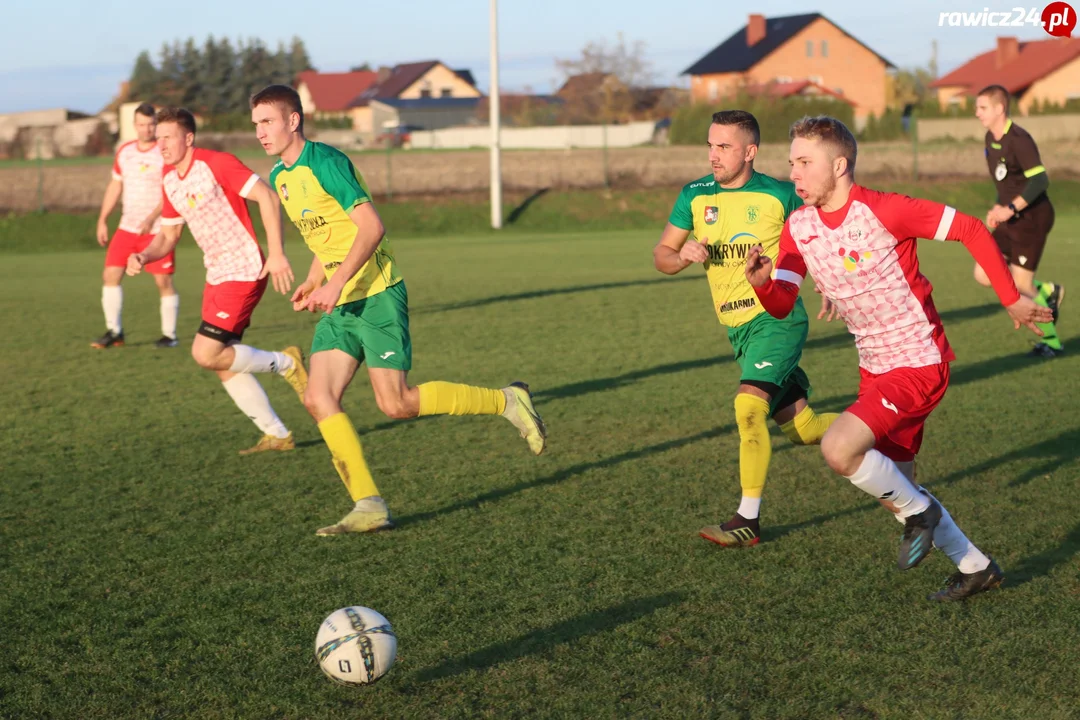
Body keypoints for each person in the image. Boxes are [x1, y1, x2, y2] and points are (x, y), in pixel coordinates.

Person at [745, 115, 1052, 601]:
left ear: (839, 165)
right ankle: (975, 566)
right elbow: (783, 301)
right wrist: (763, 284)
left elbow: (971, 228)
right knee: (897, 491)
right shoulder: (798, 227)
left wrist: (1010, 295)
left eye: (805, 163)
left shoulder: (885, 210)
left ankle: (923, 516)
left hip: (918, 359)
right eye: (791, 163)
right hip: (874, 367)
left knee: (840, 449)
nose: (795, 174)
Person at [249, 85, 547, 536]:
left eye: (267, 122)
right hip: (340, 301)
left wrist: (333, 282)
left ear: (294, 121)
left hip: (377, 294)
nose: (260, 132)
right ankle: (368, 505)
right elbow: (328, 235)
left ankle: (506, 400)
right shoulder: (281, 177)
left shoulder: (325, 163)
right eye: (256, 124)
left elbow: (370, 227)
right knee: (317, 397)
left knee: (397, 404)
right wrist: (315, 279)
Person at [654, 110, 838, 547]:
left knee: (748, 408)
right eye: (710, 145)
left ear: (750, 151)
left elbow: (821, 238)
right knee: (805, 429)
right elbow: (662, 254)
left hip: (777, 319)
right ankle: (880, 430)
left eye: (725, 147)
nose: (714, 156)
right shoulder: (695, 195)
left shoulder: (780, 195)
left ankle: (747, 521)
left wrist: (832, 283)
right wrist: (683, 256)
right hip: (737, 329)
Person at [126, 107, 308, 455]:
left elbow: (268, 196)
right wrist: (144, 255)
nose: (160, 143)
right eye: (158, 137)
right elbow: (168, 236)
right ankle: (278, 434)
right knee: (222, 361)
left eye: (168, 136)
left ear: (188, 138)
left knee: (205, 352)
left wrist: (277, 253)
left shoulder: (216, 163)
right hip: (217, 274)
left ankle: (287, 363)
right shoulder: (169, 179)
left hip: (244, 268)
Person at [974, 84, 1064, 357]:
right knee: (983, 273)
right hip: (1011, 216)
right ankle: (1047, 290)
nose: (977, 113)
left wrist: (1010, 209)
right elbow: (1007, 182)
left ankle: (1051, 342)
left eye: (982, 107)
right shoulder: (990, 139)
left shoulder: (1020, 139)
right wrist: (998, 206)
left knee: (1021, 285)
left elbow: (1040, 180)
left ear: (1000, 108)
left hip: (1032, 218)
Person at [93, 103, 179, 349]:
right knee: (110, 275)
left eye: (151, 124)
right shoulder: (125, 152)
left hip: (158, 231)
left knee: (163, 282)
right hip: (127, 228)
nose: (146, 129)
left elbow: (171, 190)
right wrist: (102, 219)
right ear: (134, 126)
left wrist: (152, 218)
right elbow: (115, 185)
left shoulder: (164, 153)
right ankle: (114, 332)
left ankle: (169, 336)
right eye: (141, 124)